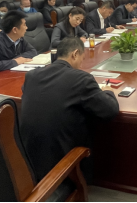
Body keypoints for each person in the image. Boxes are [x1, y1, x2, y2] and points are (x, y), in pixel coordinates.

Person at [20, 37, 120, 182]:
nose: (81, 64)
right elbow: (110, 110)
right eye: (82, 59)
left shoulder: (32, 75)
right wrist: (108, 91)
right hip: (61, 170)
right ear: (75, 54)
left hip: (28, 164)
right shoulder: (81, 79)